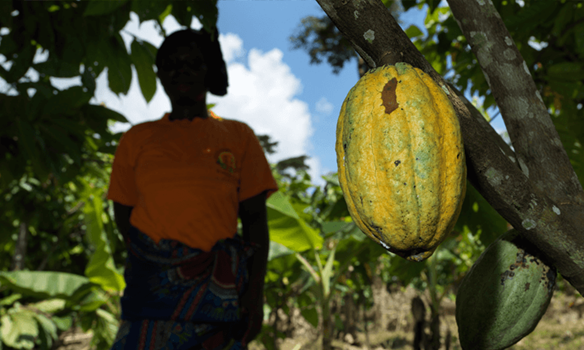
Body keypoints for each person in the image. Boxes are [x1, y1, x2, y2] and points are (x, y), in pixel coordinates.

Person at [106, 27, 278, 350]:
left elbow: (256, 223)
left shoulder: (239, 137)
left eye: (192, 62)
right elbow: (123, 216)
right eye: (171, 63)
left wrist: (255, 295)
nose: (181, 69)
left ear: (208, 71)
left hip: (218, 302)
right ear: (159, 75)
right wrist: (161, 260)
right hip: (148, 295)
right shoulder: (136, 139)